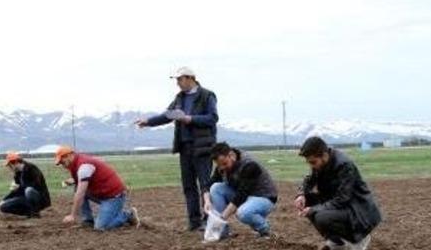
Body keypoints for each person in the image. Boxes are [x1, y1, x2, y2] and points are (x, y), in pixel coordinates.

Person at [135, 66, 219, 231]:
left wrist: (190, 119)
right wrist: (148, 122)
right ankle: (194, 222)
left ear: (190, 78)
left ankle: (208, 219)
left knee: (204, 184)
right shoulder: (179, 98)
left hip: (203, 147)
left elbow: (212, 118)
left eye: (180, 80)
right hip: (184, 146)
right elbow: (167, 115)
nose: (178, 84)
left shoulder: (207, 95)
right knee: (188, 185)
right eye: (177, 80)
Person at [294, 136, 382, 250]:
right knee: (307, 202)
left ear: (324, 155)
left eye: (313, 162)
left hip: (357, 209)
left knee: (321, 216)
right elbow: (309, 180)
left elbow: (343, 199)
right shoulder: (320, 164)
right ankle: (337, 242)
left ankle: (360, 239)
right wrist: (301, 194)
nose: (312, 166)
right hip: (339, 203)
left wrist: (314, 209)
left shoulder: (344, 165)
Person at [53, 146, 139, 231]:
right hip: (102, 193)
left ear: (69, 156)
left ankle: (127, 215)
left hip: (113, 196)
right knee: (78, 187)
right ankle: (88, 221)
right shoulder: (77, 164)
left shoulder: (84, 166)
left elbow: (80, 193)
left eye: (62, 162)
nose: (62, 165)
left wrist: (72, 215)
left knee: (101, 227)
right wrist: (73, 180)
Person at [203, 142, 278, 239]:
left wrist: (220, 219)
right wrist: (207, 201)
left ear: (231, 155)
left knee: (243, 213)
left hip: (264, 197)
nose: (222, 168)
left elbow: (241, 196)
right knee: (216, 187)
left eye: (225, 164)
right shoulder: (222, 165)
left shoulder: (249, 165)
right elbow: (208, 185)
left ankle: (265, 230)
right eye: (219, 165)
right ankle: (222, 233)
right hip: (246, 197)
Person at [0, 152, 51, 218]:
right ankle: (29, 213)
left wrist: (19, 187)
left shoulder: (31, 168)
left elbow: (36, 185)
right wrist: (3, 200)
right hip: (25, 197)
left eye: (10, 165)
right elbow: (16, 191)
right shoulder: (17, 174)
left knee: (29, 190)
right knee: (3, 207)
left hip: (39, 198)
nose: (9, 168)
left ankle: (35, 212)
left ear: (15, 163)